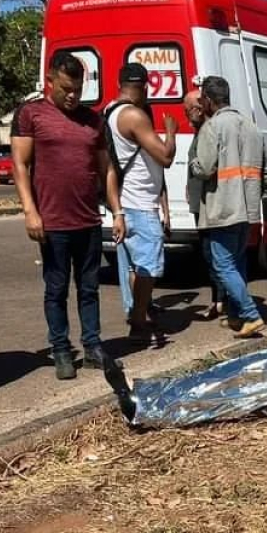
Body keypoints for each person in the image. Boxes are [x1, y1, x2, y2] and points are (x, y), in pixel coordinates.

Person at [11, 51, 114, 380]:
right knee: (56, 288)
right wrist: (30, 210)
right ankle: (60, 349)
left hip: (88, 220)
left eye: (78, 89)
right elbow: (20, 165)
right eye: (66, 88)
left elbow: (106, 168)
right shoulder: (31, 114)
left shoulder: (94, 120)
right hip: (52, 222)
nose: (72, 95)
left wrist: (118, 209)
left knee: (89, 287)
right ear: (50, 82)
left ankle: (93, 346)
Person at [188, 76, 267, 339]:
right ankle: (236, 315)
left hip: (222, 207)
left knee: (223, 264)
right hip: (246, 208)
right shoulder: (252, 127)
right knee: (237, 262)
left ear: (209, 101)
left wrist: (191, 163)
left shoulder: (212, 127)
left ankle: (249, 314)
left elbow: (204, 167)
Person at [104, 63, 176, 342]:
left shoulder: (110, 111)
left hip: (127, 203)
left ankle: (139, 318)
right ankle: (137, 319)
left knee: (136, 267)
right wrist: (170, 131)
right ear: (144, 86)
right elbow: (166, 157)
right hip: (140, 204)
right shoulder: (133, 115)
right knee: (149, 268)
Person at [184, 86, 224, 321]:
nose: (186, 114)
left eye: (187, 110)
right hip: (200, 201)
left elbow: (206, 166)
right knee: (209, 253)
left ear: (199, 109)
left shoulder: (209, 130)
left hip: (209, 203)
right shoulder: (200, 131)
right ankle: (218, 299)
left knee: (213, 254)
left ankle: (220, 301)